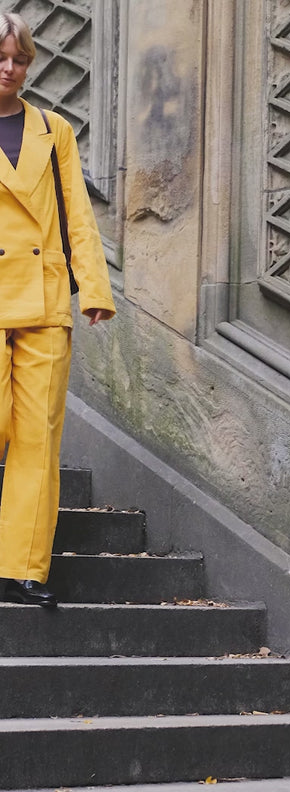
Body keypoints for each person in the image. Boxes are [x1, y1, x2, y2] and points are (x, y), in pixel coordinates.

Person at [0, 12, 114, 607]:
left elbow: (78, 215)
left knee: (38, 437)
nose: (10, 68)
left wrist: (93, 288)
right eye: (0, 57)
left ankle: (23, 566)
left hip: (45, 302)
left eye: (19, 58)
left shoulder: (54, 130)